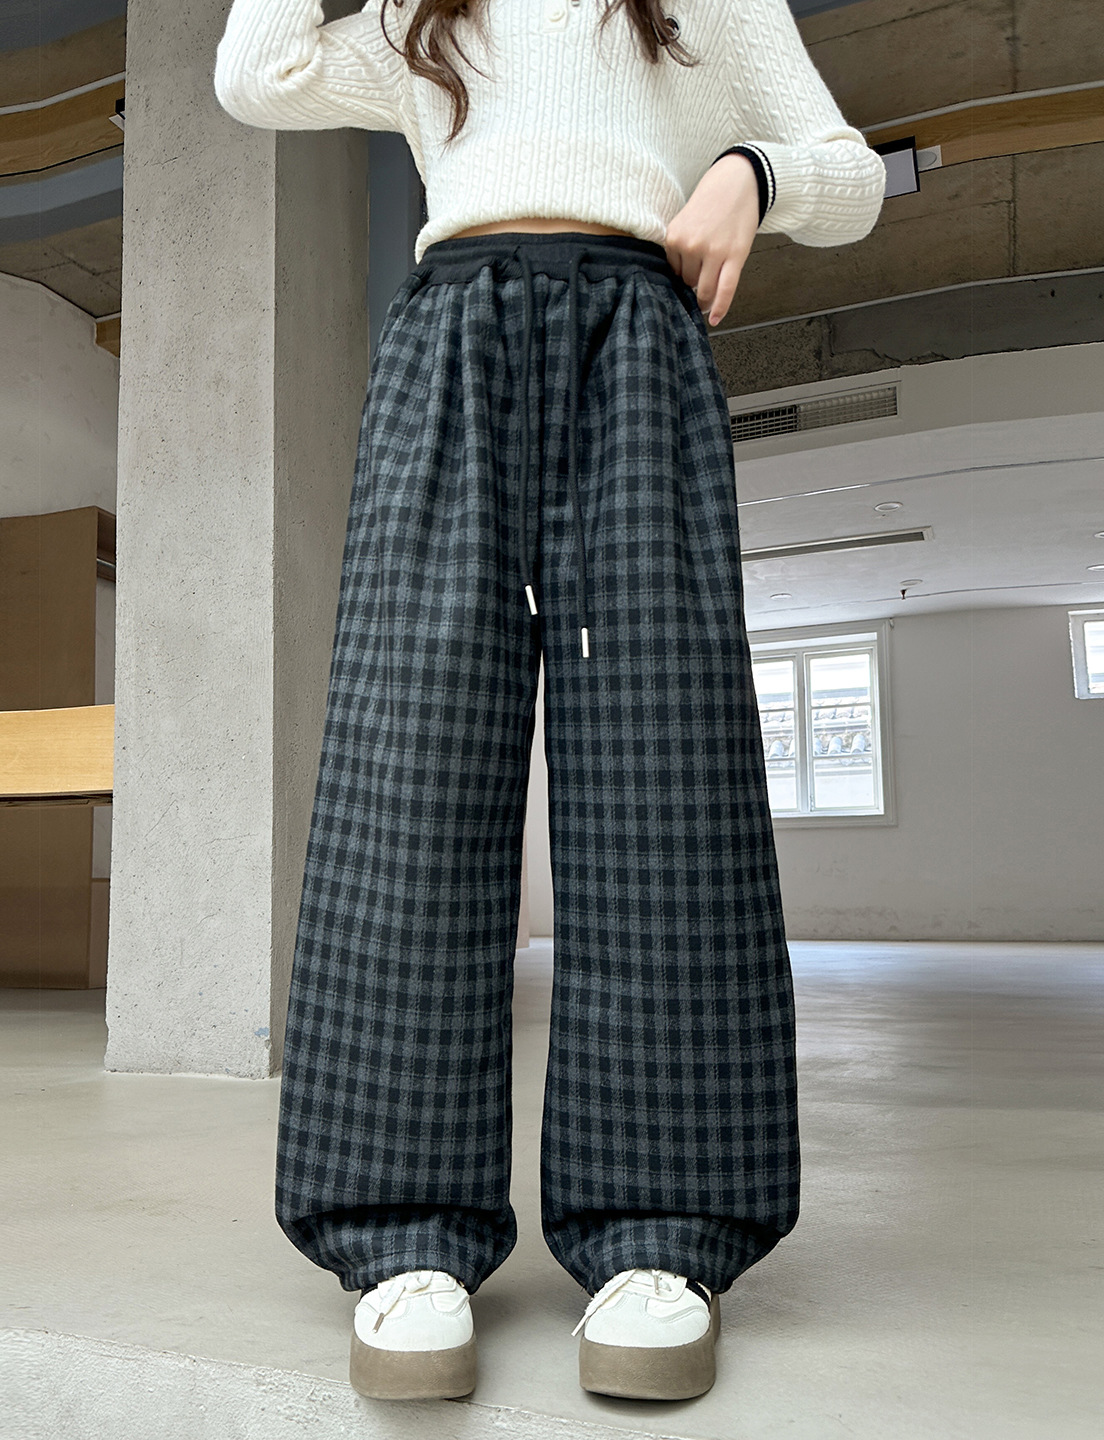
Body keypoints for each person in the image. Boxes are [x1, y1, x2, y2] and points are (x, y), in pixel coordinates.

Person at [214, 0, 884, 1403]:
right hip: (449, 342)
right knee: (407, 775)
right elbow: (257, 73)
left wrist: (748, 175)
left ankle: (662, 1233)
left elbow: (850, 172)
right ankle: (402, 1234)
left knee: (665, 783)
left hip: (637, 343)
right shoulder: (419, 20)